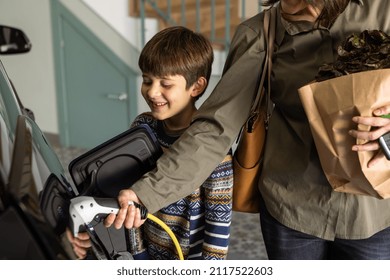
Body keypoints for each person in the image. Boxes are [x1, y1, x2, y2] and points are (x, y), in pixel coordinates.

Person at [103, 0, 390, 260]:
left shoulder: (383, 12)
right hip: (292, 206)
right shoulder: (261, 33)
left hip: (374, 210)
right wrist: (147, 193)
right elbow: (216, 128)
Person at [67, 26, 233, 260]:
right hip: (141, 254)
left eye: (165, 84)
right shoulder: (143, 125)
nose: (152, 92)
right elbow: (126, 194)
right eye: (147, 80)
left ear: (196, 86)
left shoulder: (213, 148)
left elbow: (218, 232)